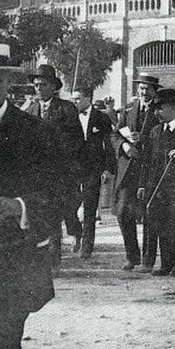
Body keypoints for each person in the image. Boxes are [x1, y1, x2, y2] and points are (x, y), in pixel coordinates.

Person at [0, 43, 65, 349]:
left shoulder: (35, 133)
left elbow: (60, 195)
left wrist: (19, 206)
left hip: (8, 265)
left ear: (9, 84)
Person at [136, 88, 175, 276]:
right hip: (158, 187)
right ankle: (165, 264)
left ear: (172, 108)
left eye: (160, 108)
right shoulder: (155, 131)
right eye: (154, 109)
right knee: (161, 224)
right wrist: (142, 184)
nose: (156, 112)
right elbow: (146, 161)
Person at [24, 64, 81, 265]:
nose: (39, 89)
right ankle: (40, 255)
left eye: (43, 85)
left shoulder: (66, 109)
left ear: (53, 87)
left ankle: (54, 257)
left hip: (59, 172)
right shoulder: (30, 110)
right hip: (36, 175)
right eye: (36, 85)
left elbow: (75, 141)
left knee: (55, 213)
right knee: (37, 214)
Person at [111, 73, 162, 271]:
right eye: (141, 88)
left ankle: (148, 260)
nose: (144, 92)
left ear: (154, 91)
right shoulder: (129, 109)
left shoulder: (159, 111)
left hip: (149, 169)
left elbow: (163, 137)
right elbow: (114, 133)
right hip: (127, 169)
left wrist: (144, 139)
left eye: (148, 89)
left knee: (149, 214)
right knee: (123, 213)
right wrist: (124, 146)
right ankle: (131, 256)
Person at [70, 86, 116, 259]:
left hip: (93, 169)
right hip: (73, 168)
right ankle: (76, 233)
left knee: (90, 208)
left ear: (88, 99)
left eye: (77, 99)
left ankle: (87, 247)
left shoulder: (101, 118)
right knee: (70, 204)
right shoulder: (69, 117)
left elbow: (109, 145)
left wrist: (107, 168)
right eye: (73, 99)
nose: (74, 102)